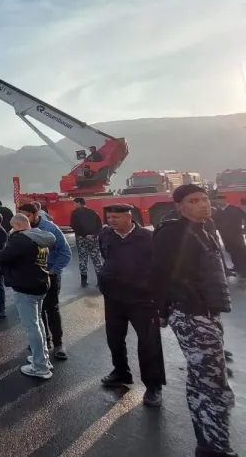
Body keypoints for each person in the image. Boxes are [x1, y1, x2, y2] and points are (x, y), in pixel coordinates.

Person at [153, 184, 236, 457]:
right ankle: (217, 448)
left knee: (200, 382)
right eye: (194, 200)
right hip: (192, 315)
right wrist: (162, 311)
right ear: (179, 206)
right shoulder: (172, 233)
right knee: (215, 387)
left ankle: (206, 444)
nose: (203, 204)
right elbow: (161, 274)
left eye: (204, 199)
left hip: (207, 314)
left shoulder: (205, 229)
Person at [98, 204, 165, 407]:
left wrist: (159, 298)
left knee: (149, 343)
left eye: (116, 217)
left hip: (142, 299)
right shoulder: (106, 235)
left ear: (129, 217)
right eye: (109, 217)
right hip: (114, 297)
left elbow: (160, 268)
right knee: (114, 339)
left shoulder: (148, 238)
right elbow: (105, 257)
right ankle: (121, 373)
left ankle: (153, 386)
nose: (111, 221)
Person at [0, 213, 56, 379]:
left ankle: (40, 367)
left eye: (12, 226)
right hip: (41, 283)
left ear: (19, 225)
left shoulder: (21, 239)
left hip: (26, 286)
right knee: (38, 323)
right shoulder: (39, 237)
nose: (11, 229)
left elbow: (2, 256)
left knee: (32, 327)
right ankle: (42, 358)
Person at [19, 203, 72, 360]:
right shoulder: (21, 229)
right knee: (37, 311)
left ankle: (58, 344)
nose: (24, 220)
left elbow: (65, 252)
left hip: (49, 275)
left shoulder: (50, 229)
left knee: (51, 309)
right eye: (21, 216)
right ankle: (43, 342)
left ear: (36, 214)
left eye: (27, 216)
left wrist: (53, 271)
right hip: (31, 277)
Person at [70, 197, 104, 287]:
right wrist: (94, 235)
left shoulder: (74, 213)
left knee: (83, 259)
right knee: (97, 260)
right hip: (93, 239)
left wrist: (85, 235)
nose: (74, 205)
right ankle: (100, 281)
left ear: (79, 203)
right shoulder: (92, 212)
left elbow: (74, 226)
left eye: (74, 203)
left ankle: (84, 281)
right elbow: (100, 225)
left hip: (81, 239)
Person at [212, 196, 246, 277]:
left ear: (225, 200)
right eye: (218, 200)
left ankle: (244, 267)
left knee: (241, 250)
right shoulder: (217, 211)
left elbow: (244, 216)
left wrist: (245, 227)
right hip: (225, 236)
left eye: (221, 200)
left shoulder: (234, 208)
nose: (219, 202)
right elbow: (214, 222)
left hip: (237, 234)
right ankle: (237, 266)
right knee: (231, 251)